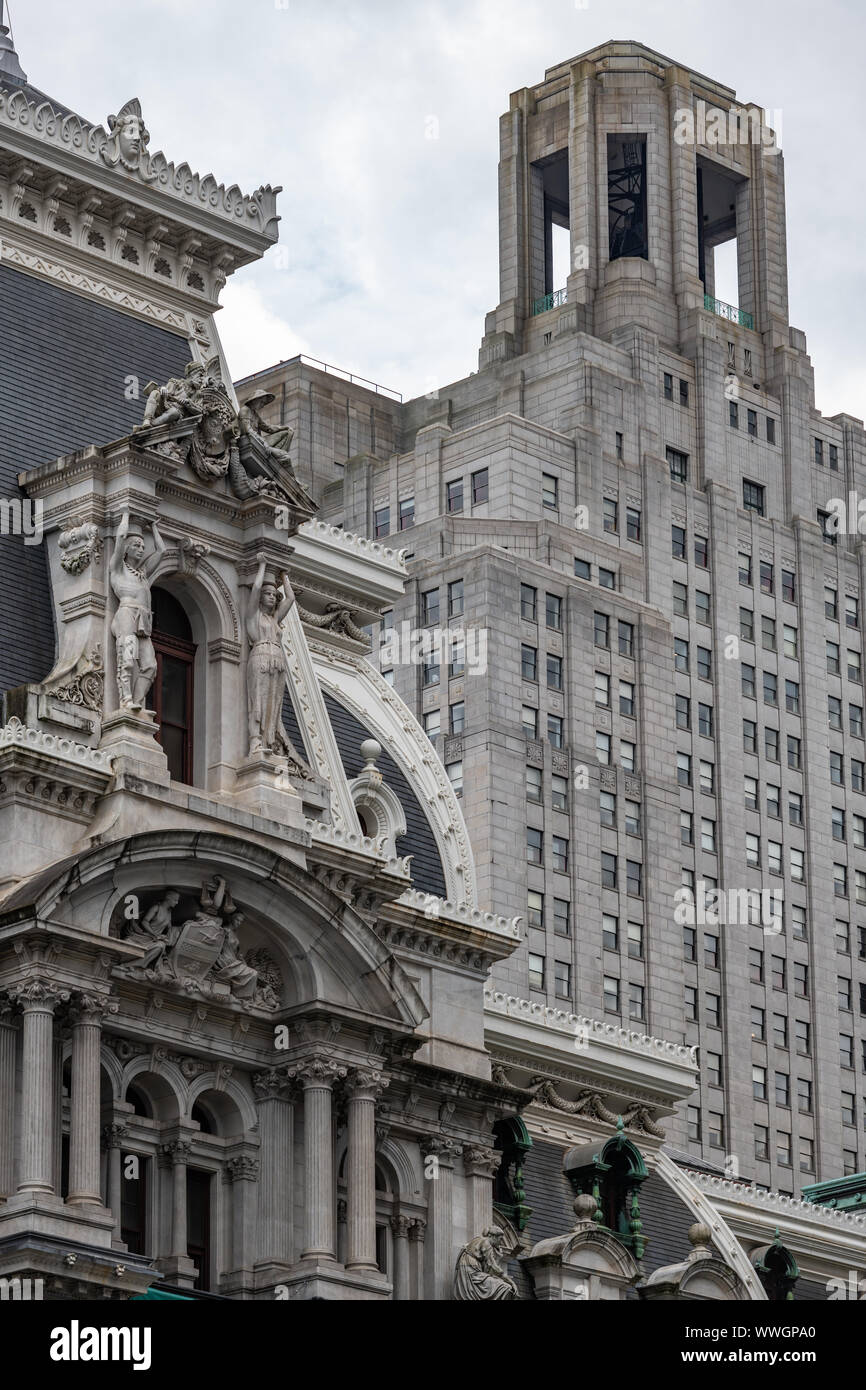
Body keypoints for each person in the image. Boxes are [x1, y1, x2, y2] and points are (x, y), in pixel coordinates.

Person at [109, 513, 165, 710]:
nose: (141, 549)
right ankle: (126, 700)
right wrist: (125, 514)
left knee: (150, 666)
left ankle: (138, 702)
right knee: (128, 659)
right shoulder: (118, 568)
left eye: (142, 546)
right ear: (126, 549)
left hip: (143, 620)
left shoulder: (142, 573)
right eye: (136, 546)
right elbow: (119, 538)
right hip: (126, 615)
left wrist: (154, 528)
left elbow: (161, 551)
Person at [245, 557, 297, 758]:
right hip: (259, 657)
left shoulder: (275, 618)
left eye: (274, 595)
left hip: (277, 661)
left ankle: (268, 741)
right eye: (268, 594)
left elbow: (290, 598)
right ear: (260, 598)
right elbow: (256, 587)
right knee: (257, 702)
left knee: (273, 704)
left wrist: (284, 576)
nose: (272, 598)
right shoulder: (253, 616)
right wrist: (263, 565)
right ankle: (255, 742)